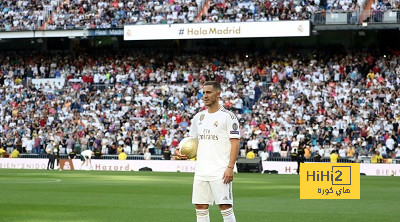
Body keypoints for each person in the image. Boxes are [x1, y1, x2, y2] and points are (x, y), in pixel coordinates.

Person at [175, 81, 240, 222]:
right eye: (203, 93)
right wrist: (180, 149)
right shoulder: (199, 117)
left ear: (218, 94)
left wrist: (230, 167)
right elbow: (193, 141)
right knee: (200, 207)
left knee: (225, 207)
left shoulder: (228, 116)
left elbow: (235, 143)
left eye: (208, 92)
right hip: (201, 170)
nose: (205, 96)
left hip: (220, 170)